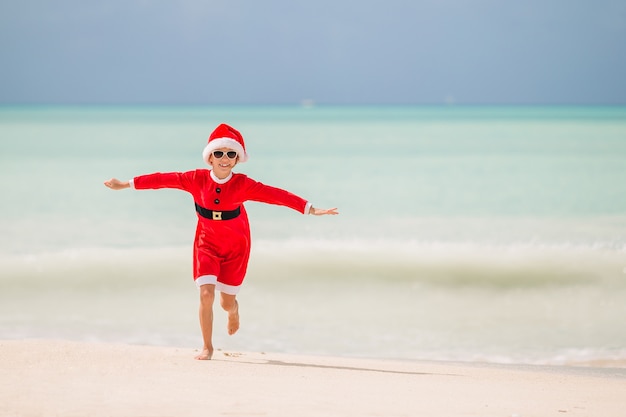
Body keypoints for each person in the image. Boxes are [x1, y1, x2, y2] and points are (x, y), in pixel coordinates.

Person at [104, 123, 338, 360]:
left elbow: (275, 195)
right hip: (206, 244)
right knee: (206, 294)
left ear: (237, 159)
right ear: (210, 157)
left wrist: (309, 209)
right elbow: (162, 179)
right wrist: (126, 184)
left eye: (230, 154)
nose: (224, 158)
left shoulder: (243, 185)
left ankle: (234, 311)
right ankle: (207, 347)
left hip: (236, 246)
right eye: (218, 153)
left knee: (226, 303)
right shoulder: (195, 179)